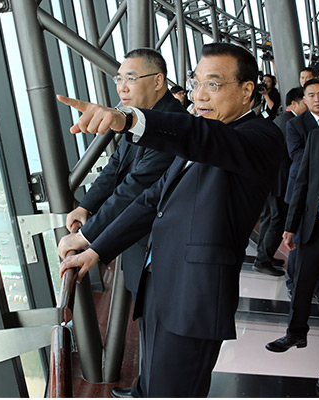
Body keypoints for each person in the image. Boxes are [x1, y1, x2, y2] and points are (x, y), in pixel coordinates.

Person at [57, 42, 284, 397]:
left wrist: (128, 118)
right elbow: (152, 200)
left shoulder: (259, 138)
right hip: (162, 284)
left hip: (193, 298)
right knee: (153, 380)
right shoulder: (204, 132)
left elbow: (202, 137)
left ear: (246, 91)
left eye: (213, 84)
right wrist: (95, 247)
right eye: (196, 84)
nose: (200, 96)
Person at [64, 48, 186, 302]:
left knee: (156, 316)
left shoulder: (171, 122)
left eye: (130, 78)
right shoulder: (140, 117)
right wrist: (86, 206)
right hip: (136, 243)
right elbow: (117, 165)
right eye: (119, 79)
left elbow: (137, 185)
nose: (122, 88)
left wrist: (84, 237)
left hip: (158, 250)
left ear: (158, 81)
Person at [265, 125, 319, 353]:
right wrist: (291, 226)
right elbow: (303, 181)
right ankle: (295, 334)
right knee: (302, 283)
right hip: (315, 225)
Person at [253, 87, 307, 276]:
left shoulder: (281, 119)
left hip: (271, 177)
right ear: (294, 103)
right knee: (277, 219)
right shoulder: (292, 122)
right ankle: (263, 259)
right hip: (280, 179)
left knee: (270, 218)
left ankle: (263, 256)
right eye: (305, 101)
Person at [284, 78, 319, 301]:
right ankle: (294, 282)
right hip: (304, 191)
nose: (317, 99)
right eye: (311, 95)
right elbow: (297, 156)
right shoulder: (295, 124)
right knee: (301, 239)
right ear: (305, 99)